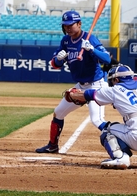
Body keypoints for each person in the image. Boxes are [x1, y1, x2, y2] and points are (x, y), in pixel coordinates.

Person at [35, 10, 112, 153]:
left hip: (96, 86)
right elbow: (54, 64)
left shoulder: (90, 39)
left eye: (71, 25)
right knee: (58, 112)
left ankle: (119, 144)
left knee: (97, 120)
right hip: (81, 86)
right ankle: (52, 146)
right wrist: (58, 58)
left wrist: (91, 50)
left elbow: (107, 59)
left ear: (79, 24)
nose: (68, 28)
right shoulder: (65, 41)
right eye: (65, 25)